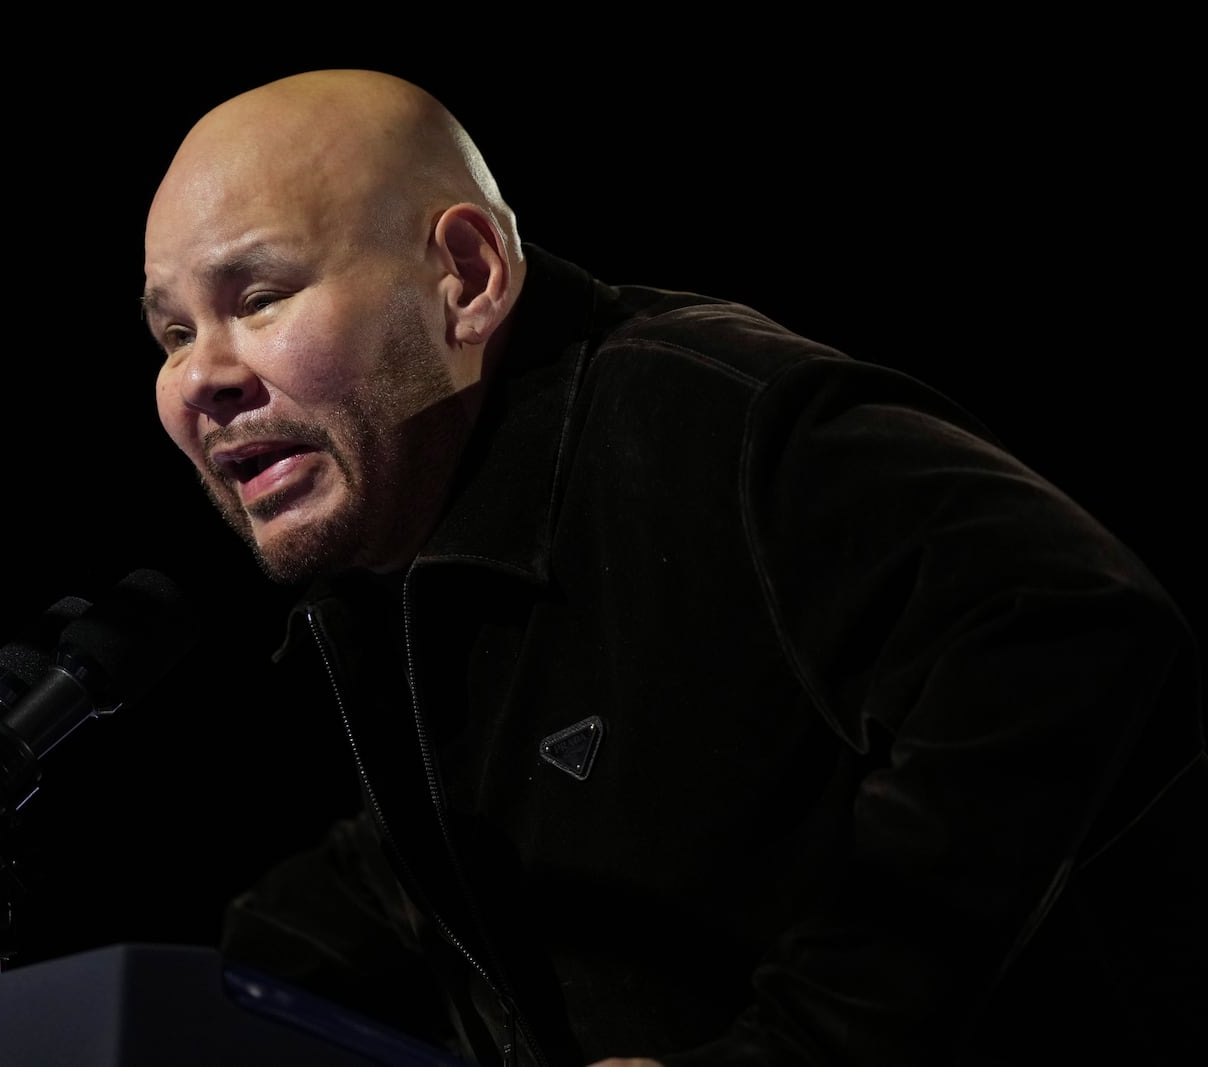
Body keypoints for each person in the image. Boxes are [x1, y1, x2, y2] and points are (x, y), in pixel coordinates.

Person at [141, 68, 1206, 1066]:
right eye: (173, 332)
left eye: (261, 295)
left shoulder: (699, 416)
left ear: (466, 276)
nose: (201, 376)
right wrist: (150, 1008)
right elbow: (421, 874)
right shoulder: (416, 563)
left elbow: (1063, 623)